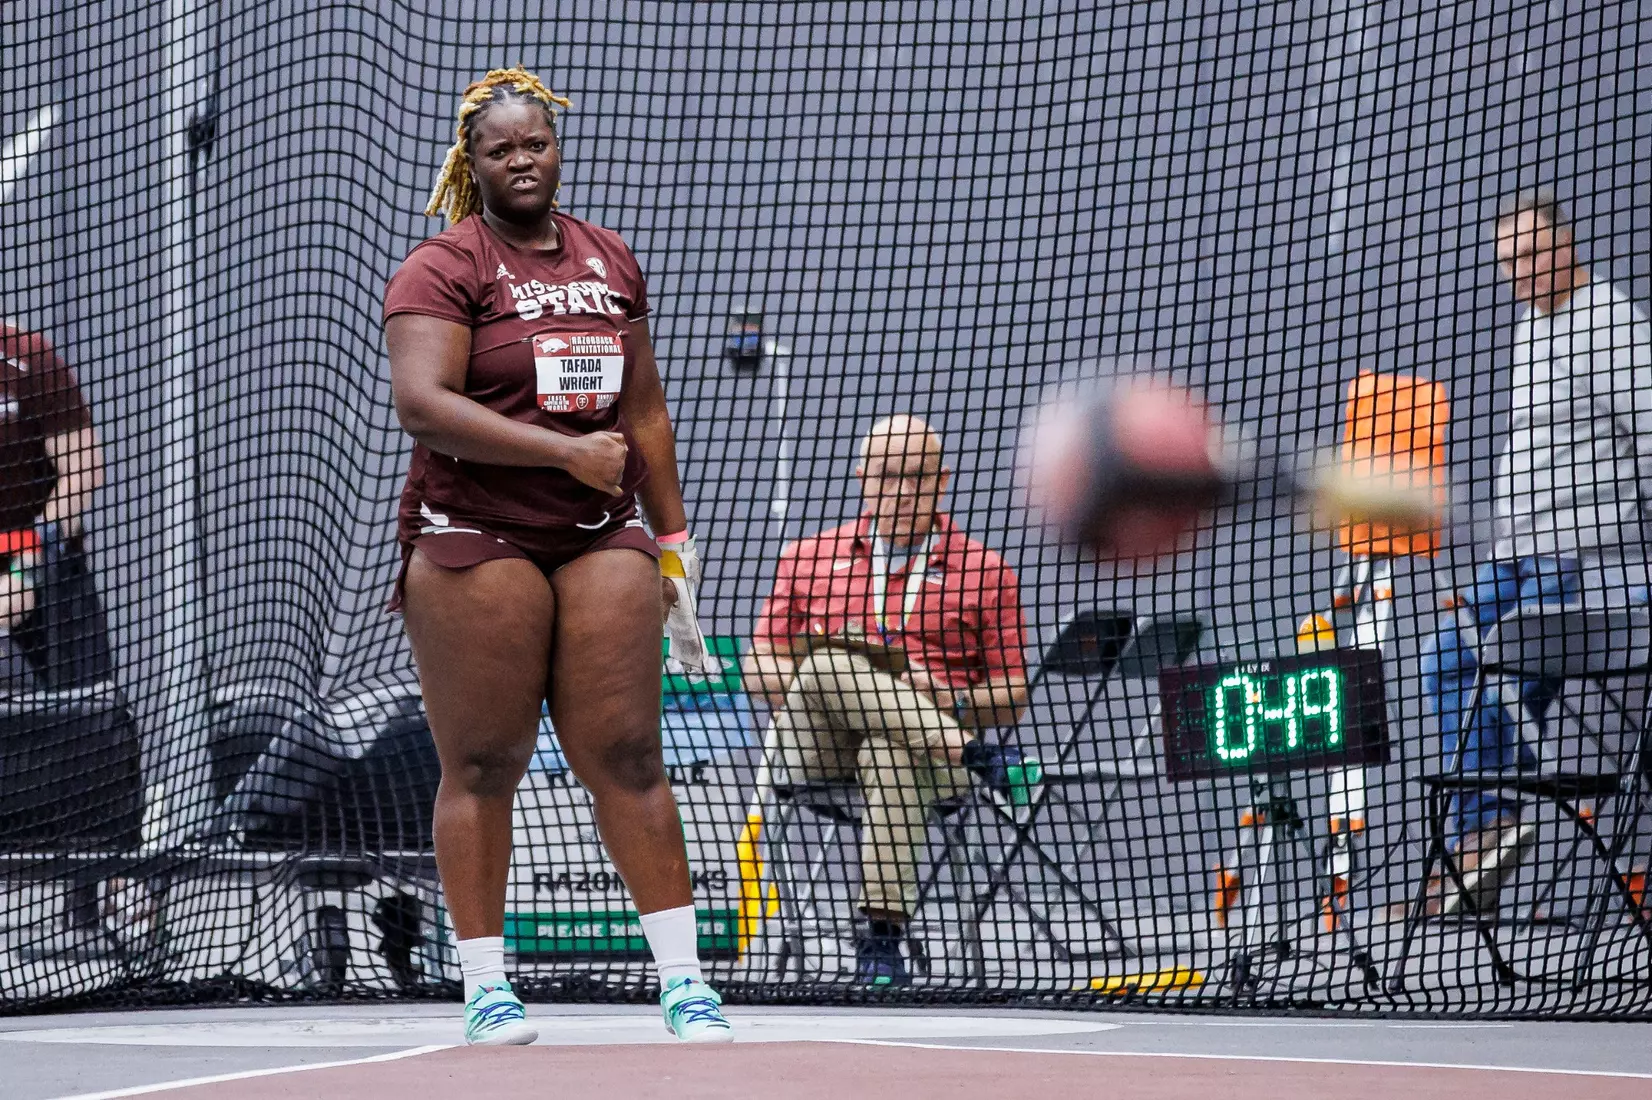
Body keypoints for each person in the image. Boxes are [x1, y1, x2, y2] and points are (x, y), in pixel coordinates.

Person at [383, 68, 730, 1044]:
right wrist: (560, 451)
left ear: (555, 145)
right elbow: (423, 404)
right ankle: (487, 984)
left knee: (624, 749)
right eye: (499, 149)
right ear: (473, 162)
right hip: (475, 531)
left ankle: (683, 980)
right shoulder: (442, 265)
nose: (521, 159)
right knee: (486, 758)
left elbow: (643, 408)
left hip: (595, 529)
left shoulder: (606, 256)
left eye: (533, 142)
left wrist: (672, 539)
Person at [1417, 188, 1652, 915]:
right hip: (1516, 556)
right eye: (1508, 261)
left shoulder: (1611, 326)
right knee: (1450, 658)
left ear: (1567, 244)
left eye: (1530, 252)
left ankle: (1482, 836)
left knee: (1505, 673)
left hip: (1584, 564)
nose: (1520, 270)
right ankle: (1490, 828)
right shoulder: (1531, 326)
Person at [744, 414, 1032, 986]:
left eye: (918, 478)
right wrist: (844, 680)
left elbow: (1014, 693)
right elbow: (758, 666)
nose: (902, 492)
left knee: (888, 747)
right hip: (816, 745)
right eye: (887, 476)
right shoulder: (806, 557)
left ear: (943, 481)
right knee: (826, 662)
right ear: (862, 479)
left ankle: (881, 939)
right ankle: (977, 753)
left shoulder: (986, 571)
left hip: (924, 760)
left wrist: (946, 693)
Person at [0, 321, 106, 690]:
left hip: (53, 591)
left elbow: (83, 469)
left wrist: (24, 573)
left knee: (87, 729)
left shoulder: (28, 355)